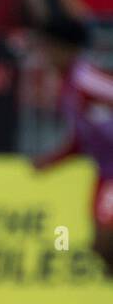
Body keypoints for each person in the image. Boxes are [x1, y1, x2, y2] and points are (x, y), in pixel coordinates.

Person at [32, 18, 113, 275]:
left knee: (104, 241)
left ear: (64, 49)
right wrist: (53, 161)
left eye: (47, 48)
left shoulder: (89, 82)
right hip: (105, 173)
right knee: (103, 249)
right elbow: (82, 140)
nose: (44, 56)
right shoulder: (68, 86)